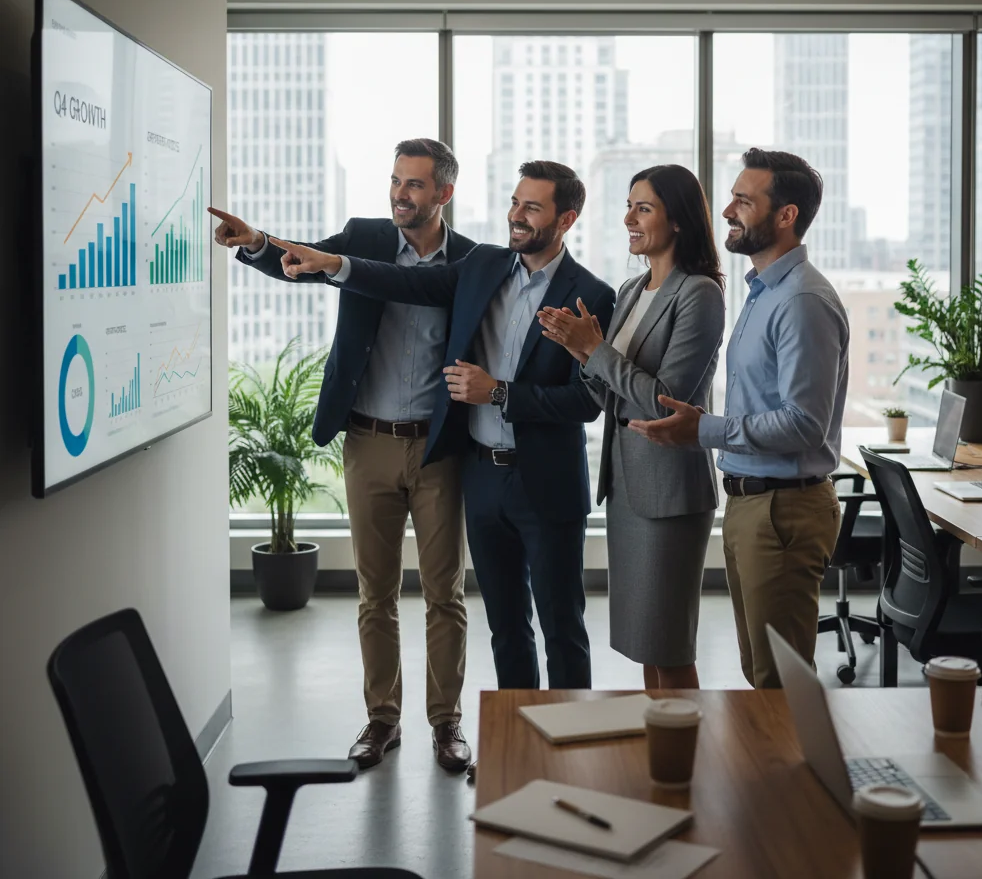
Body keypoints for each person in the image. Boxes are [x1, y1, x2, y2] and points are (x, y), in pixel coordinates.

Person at [268, 160, 616, 691]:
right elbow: (404, 281)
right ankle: (517, 744)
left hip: (545, 482)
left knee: (562, 627)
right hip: (481, 477)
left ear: (566, 219)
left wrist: (497, 393)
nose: (516, 216)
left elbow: (586, 403)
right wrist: (335, 264)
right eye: (515, 202)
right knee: (505, 628)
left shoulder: (590, 294)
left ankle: (570, 749)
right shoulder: (483, 266)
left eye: (532, 207)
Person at [208, 138, 477, 772]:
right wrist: (256, 242)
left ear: (444, 193)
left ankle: (446, 723)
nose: (399, 195)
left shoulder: (469, 260)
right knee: (374, 592)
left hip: (438, 449)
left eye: (413, 185)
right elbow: (301, 261)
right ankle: (382, 718)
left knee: (445, 593)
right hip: (368, 442)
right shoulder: (364, 238)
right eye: (394, 181)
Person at [629, 148, 849, 690]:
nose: (726, 210)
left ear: (786, 215)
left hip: (785, 509)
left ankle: (791, 777)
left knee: (779, 681)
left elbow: (803, 424)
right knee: (761, 673)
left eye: (743, 201)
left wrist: (704, 429)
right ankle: (769, 774)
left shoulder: (802, 300)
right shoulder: (762, 291)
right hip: (754, 502)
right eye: (731, 197)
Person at [538, 164, 725, 690]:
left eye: (643, 208)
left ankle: (681, 757)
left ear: (680, 220)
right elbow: (605, 395)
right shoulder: (632, 288)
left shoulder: (699, 293)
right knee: (647, 642)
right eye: (628, 206)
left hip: (668, 491)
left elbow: (668, 400)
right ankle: (658, 753)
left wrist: (595, 350)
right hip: (627, 486)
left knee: (668, 645)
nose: (628, 219)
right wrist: (580, 351)